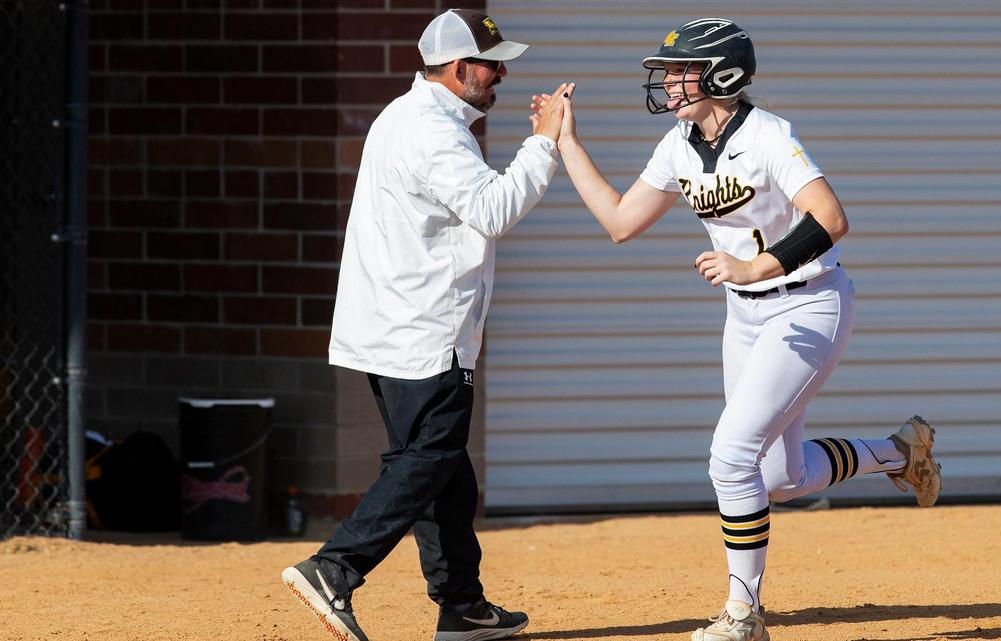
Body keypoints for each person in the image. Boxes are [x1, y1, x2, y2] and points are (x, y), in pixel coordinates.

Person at [533, 17, 942, 641]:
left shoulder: (770, 134)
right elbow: (619, 221)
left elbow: (831, 218)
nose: (668, 82)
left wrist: (754, 265)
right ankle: (899, 451)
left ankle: (742, 616)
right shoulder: (678, 143)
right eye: (668, 72)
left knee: (730, 457)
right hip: (748, 315)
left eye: (680, 70)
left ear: (722, 73)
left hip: (808, 304)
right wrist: (566, 143)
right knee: (781, 478)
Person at [281, 9, 571, 641]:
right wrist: (544, 141)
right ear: (461, 67)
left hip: (394, 325)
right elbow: (493, 210)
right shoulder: (434, 131)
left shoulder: (405, 115)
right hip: (424, 330)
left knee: (442, 466)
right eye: (493, 64)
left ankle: (462, 606)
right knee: (428, 458)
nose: (500, 75)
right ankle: (336, 567)